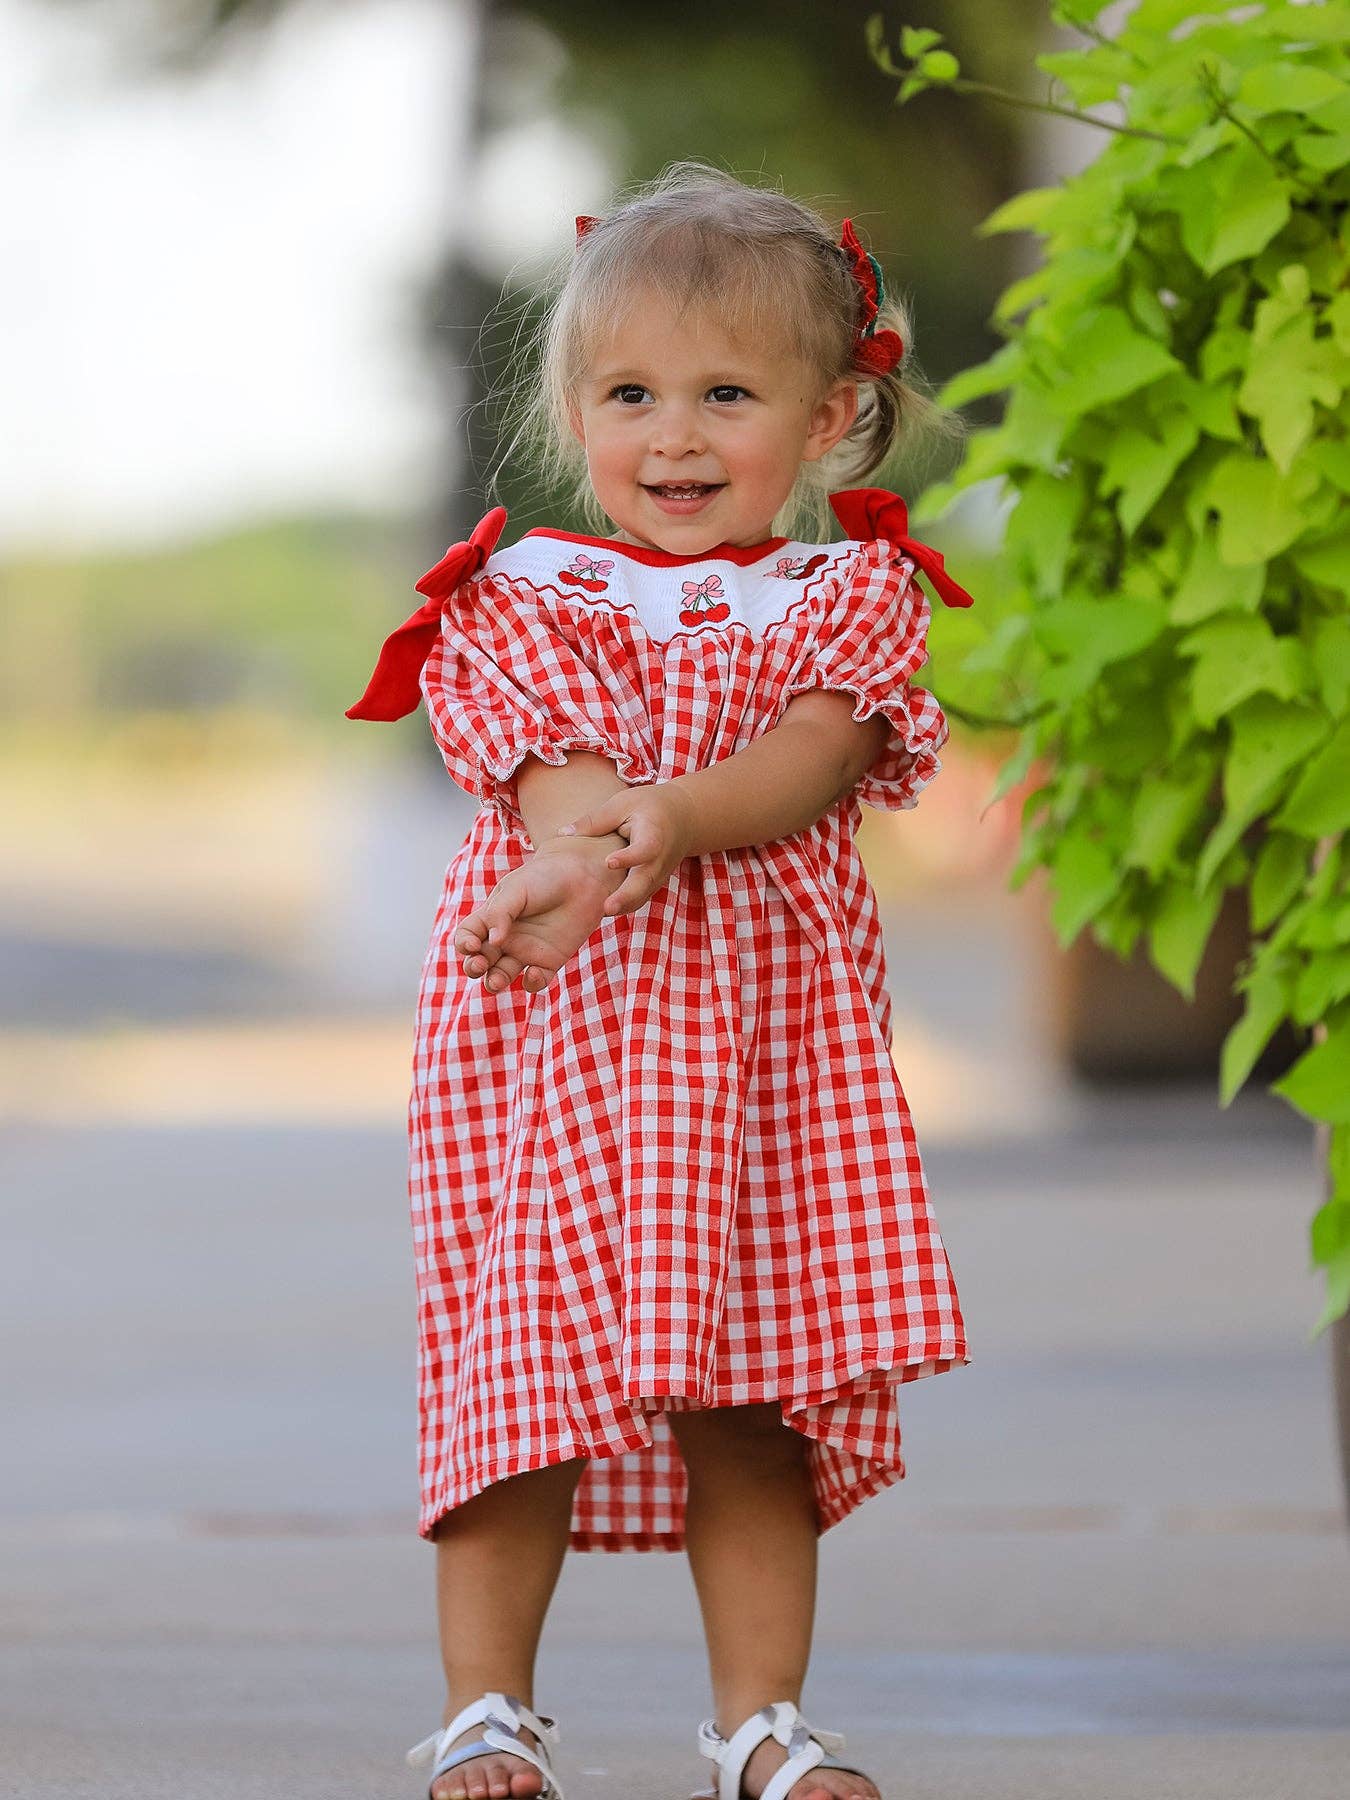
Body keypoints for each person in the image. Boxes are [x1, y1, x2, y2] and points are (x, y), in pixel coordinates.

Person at [346, 162, 975, 1800]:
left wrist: (670, 822)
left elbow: (814, 758)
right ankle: (487, 1708)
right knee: (517, 1387)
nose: (674, 437)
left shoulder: (846, 596)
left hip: (764, 1075)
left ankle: (759, 1719)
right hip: (551, 1057)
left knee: (753, 1403)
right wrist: (574, 863)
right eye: (629, 394)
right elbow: (541, 768)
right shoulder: (516, 597)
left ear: (835, 415)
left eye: (725, 393)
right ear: (573, 409)